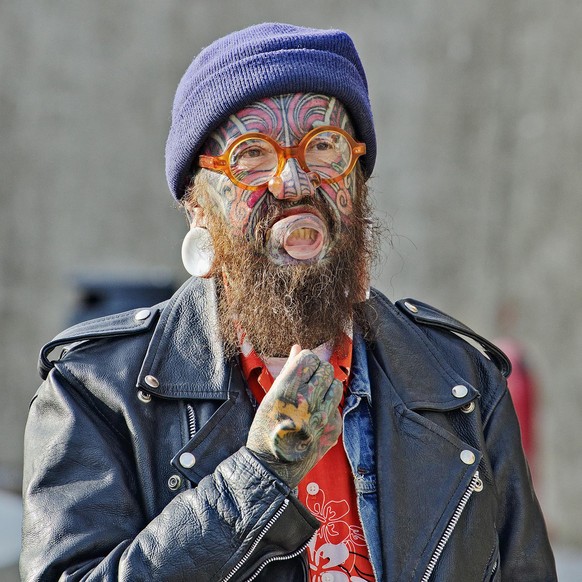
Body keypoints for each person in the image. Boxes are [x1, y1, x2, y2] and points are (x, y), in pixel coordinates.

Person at [20, 23, 556, 581]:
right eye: (252, 154)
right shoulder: (96, 391)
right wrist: (260, 476)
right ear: (198, 206)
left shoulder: (459, 382)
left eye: (323, 146)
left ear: (358, 183)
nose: (295, 181)